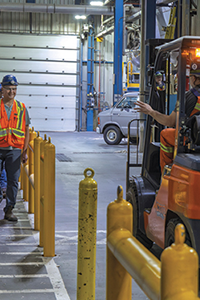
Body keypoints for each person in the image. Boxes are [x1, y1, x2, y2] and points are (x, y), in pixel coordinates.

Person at [135, 63, 200, 173]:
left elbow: (170, 121)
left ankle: (166, 173)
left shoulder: (189, 96)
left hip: (194, 140)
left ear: (193, 78)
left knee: (166, 134)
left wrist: (151, 111)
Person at [0, 75, 30, 221]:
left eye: (14, 89)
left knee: (13, 181)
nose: (11, 92)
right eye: (8, 89)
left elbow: (26, 129)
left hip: (15, 150)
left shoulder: (21, 108)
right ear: (2, 89)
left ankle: (9, 210)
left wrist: (24, 151)